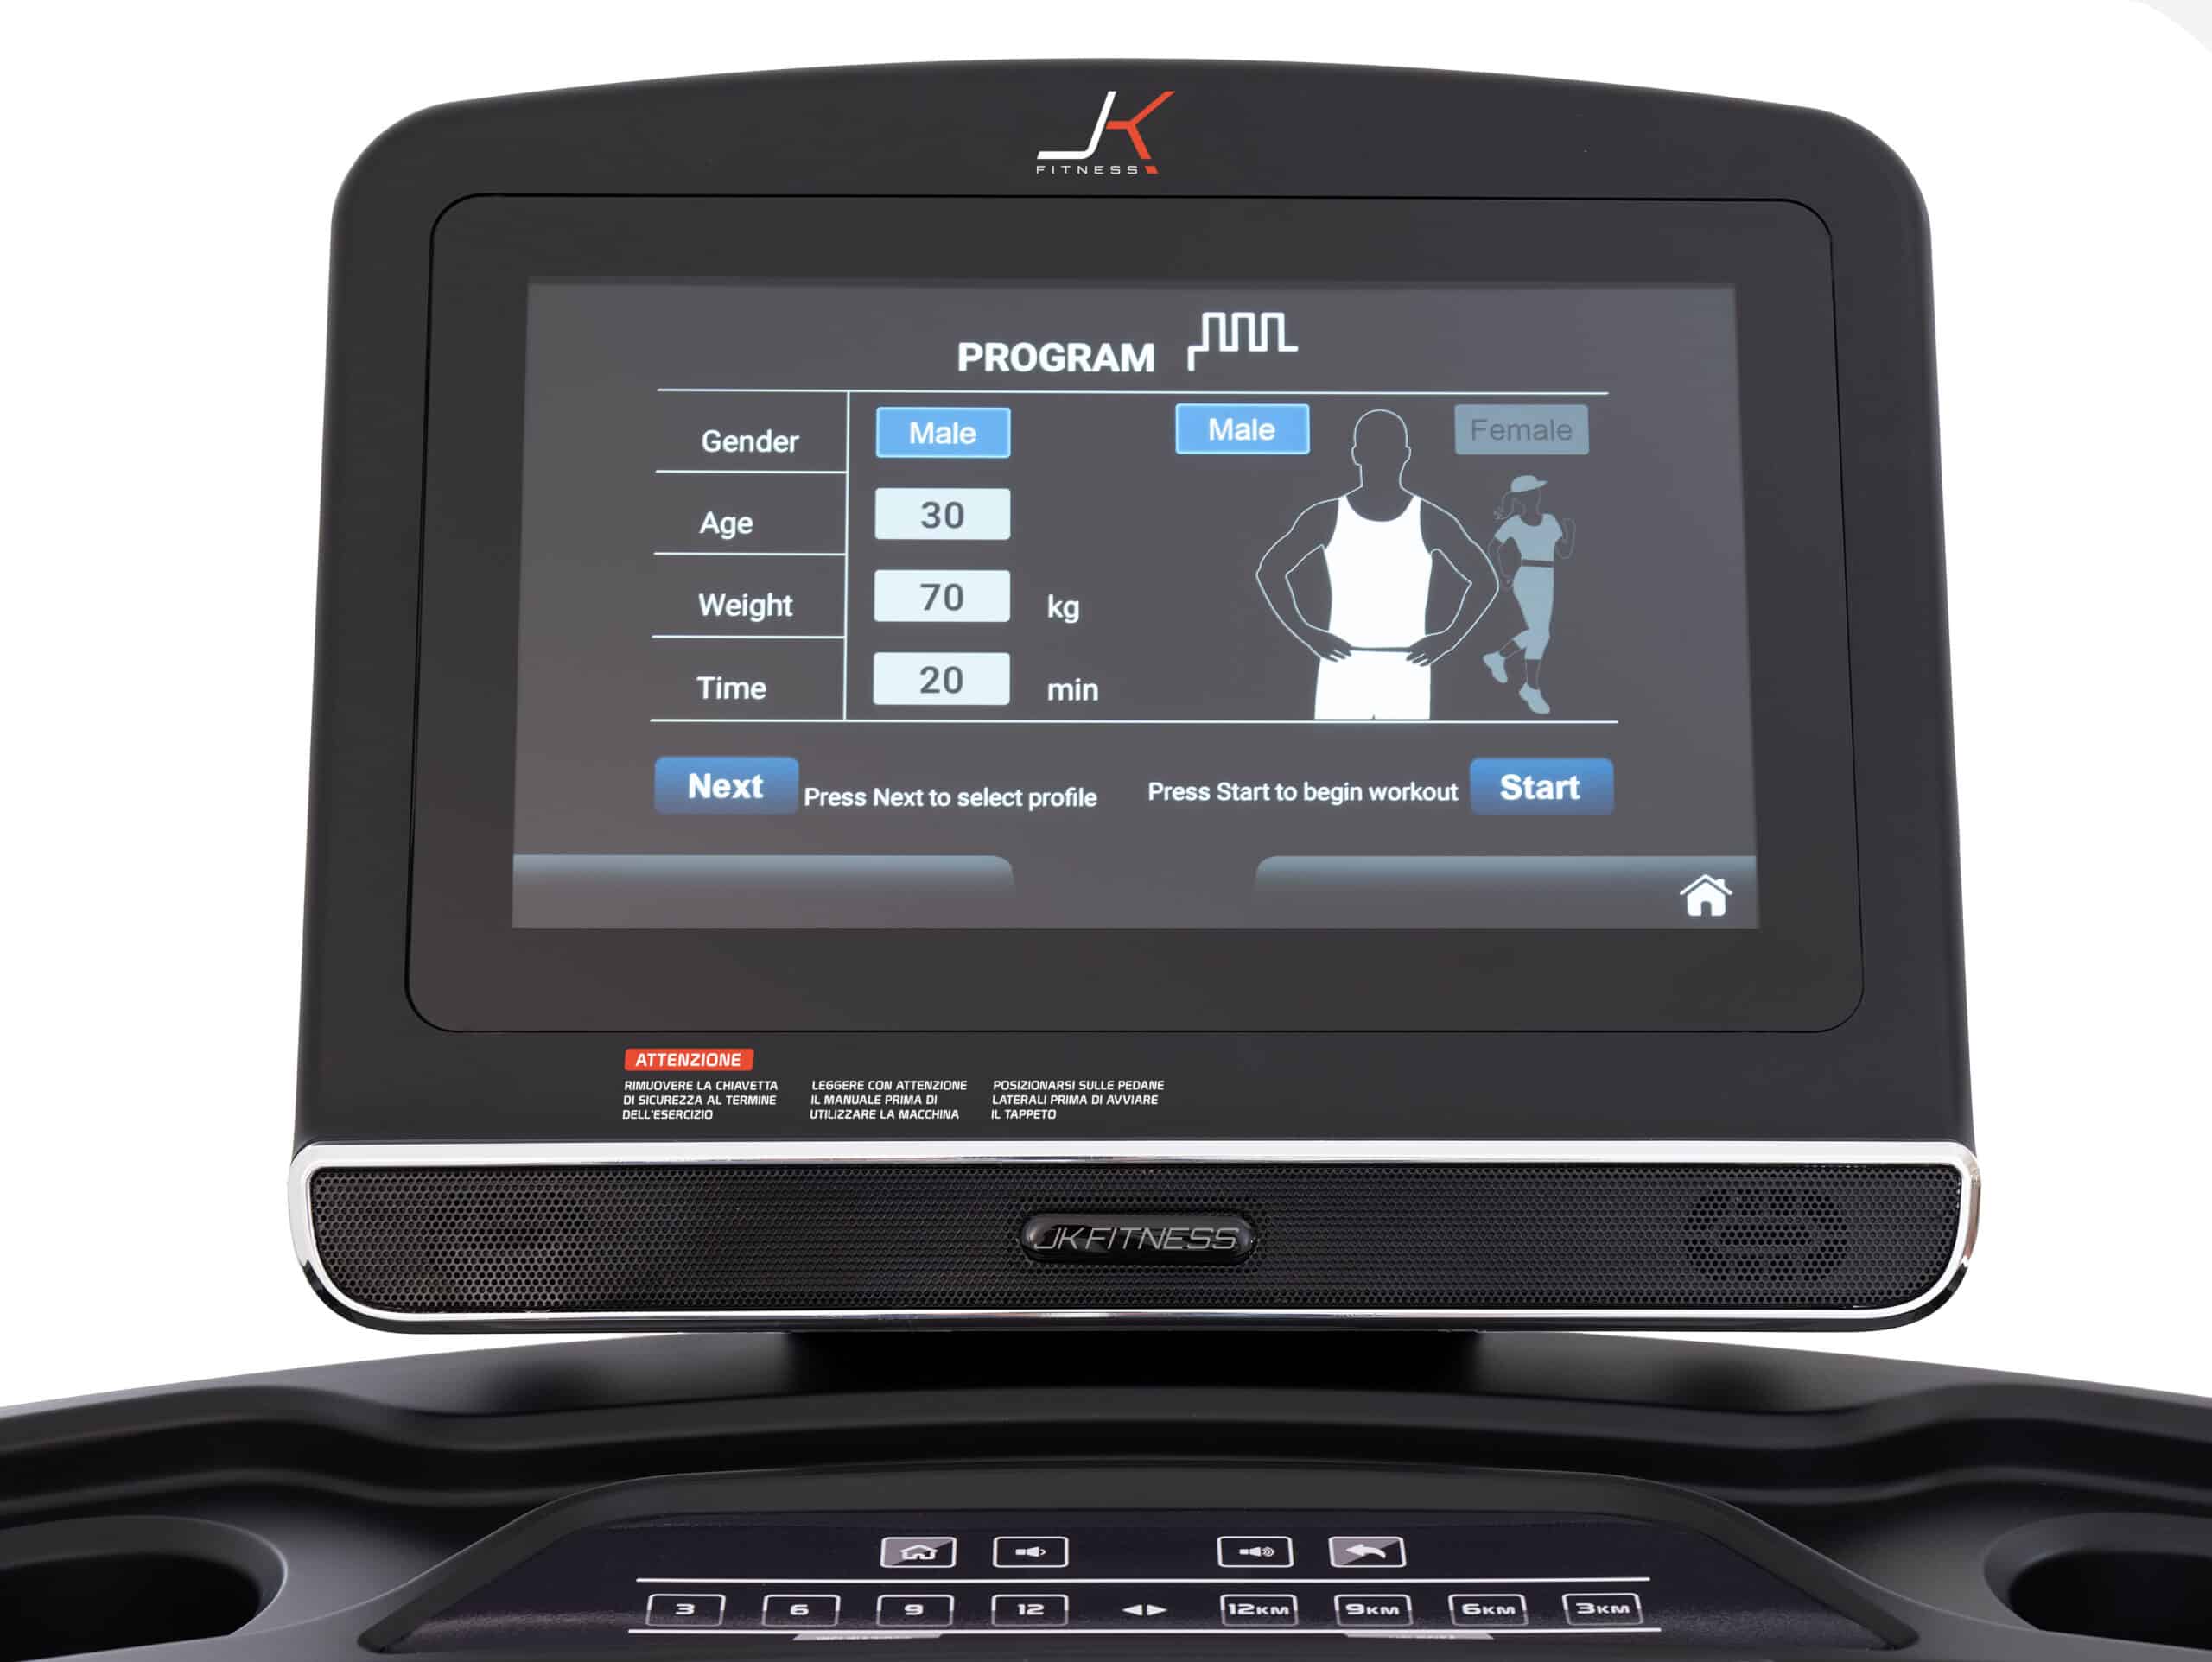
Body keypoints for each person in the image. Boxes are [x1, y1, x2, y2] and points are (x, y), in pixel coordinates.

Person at [1255, 410, 1499, 720]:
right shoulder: (1327, 515)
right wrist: (1308, 634)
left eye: (1387, 451)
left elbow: (1485, 581)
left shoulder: (1429, 518)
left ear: (1403, 455)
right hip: (1343, 667)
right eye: (1376, 450)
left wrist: (1448, 639)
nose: (1382, 460)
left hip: (1406, 669)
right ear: (1358, 455)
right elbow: (1270, 571)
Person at [1480, 474, 1576, 715]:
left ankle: (1499, 658)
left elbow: (1564, 552)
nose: (1536, 496)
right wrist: (1502, 575)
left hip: (1547, 576)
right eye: (1530, 493)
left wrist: (1570, 533)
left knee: (1539, 634)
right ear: (1521, 499)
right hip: (1527, 577)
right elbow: (1493, 547)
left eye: (1536, 492)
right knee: (1541, 634)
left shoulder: (1551, 520)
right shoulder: (1514, 523)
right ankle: (1530, 686)